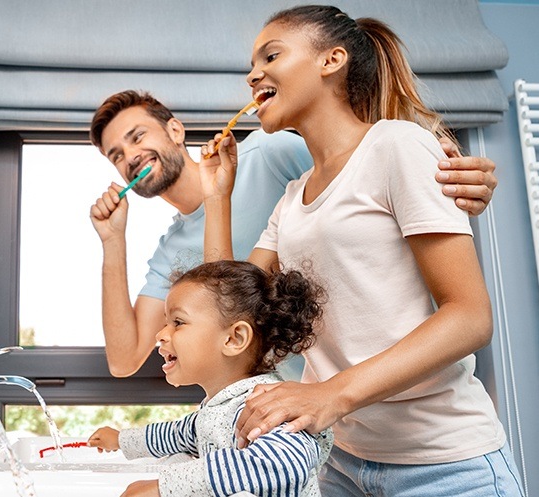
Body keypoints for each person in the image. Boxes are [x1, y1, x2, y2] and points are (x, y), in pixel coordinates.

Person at [199, 5, 523, 497]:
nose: (253, 74)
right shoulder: (292, 198)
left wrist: (330, 394)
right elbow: (226, 309)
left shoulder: (398, 146)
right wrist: (216, 197)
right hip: (344, 463)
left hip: (445, 466)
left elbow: (470, 317)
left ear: (331, 60)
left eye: (271, 55)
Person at [89, 90, 498, 379]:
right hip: (308, 409)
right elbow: (124, 360)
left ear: (175, 131)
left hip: (396, 379)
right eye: (116, 156)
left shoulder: (269, 153)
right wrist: (112, 241)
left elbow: (370, 168)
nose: (130, 156)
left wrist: (441, 170)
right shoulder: (170, 253)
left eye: (137, 136)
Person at [87, 259, 333, 497]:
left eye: (178, 322)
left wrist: (164, 488)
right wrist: (121, 440)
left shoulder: (267, 406)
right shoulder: (219, 407)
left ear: (233, 339)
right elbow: (174, 434)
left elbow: (283, 465)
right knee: (179, 458)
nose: (161, 334)